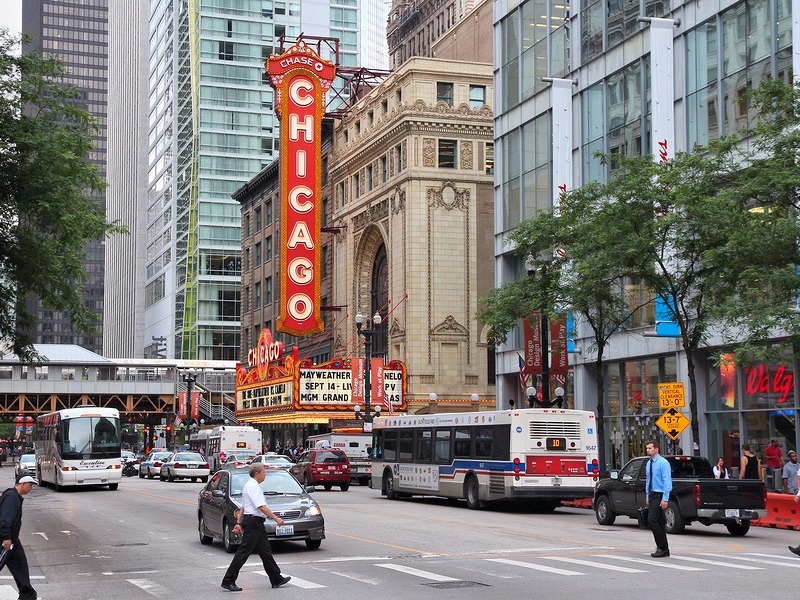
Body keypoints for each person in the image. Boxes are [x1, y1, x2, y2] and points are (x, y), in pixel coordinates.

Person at [221, 463, 291, 592]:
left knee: (265, 552)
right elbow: (261, 507)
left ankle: (276, 578)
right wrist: (276, 519)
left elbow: (243, 507)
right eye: (264, 472)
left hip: (254, 522)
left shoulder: (249, 485)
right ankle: (228, 580)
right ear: (257, 473)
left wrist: (238, 523)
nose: (265, 475)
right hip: (254, 523)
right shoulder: (253, 487)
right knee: (243, 552)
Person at [0, 475, 38, 600]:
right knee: (19, 566)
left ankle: (27, 595)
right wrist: (6, 538)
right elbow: (5, 519)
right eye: (30, 485)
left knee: (21, 567)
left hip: (12, 541)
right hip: (5, 541)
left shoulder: (15, 496)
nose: (30, 488)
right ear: (22, 484)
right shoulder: (12, 497)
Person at [644, 439, 672, 558]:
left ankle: (661, 547)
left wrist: (665, 498)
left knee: (652, 520)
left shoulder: (663, 463)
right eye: (647, 448)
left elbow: (667, 481)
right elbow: (648, 480)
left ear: (656, 449)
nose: (647, 450)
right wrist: (647, 495)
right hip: (652, 494)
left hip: (660, 494)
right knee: (660, 522)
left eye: (650, 448)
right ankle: (664, 548)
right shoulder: (649, 463)